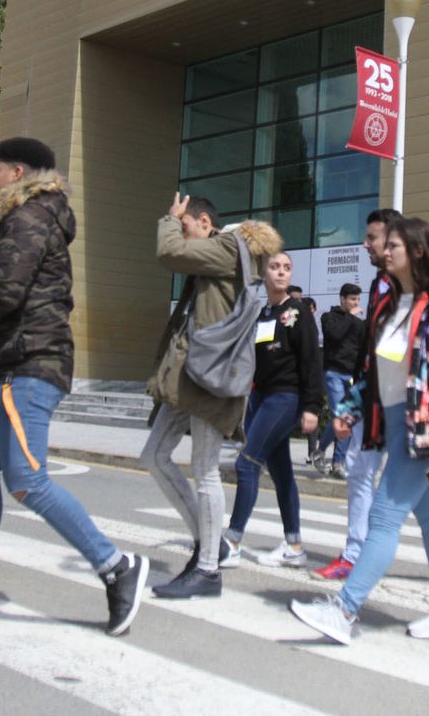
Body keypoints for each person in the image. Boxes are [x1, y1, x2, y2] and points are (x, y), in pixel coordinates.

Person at [0, 139, 147, 633]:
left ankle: (117, 567)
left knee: (26, 479)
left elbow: (5, 291)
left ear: (17, 171)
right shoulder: (30, 218)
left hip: (28, 362)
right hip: (5, 363)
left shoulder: (27, 218)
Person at [290, 217, 429, 644]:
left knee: (384, 516)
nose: (384, 252)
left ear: (417, 252)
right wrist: (348, 409)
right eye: (384, 247)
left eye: (394, 247)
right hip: (395, 425)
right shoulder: (391, 303)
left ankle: (345, 609)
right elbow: (373, 371)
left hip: (427, 434)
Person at [145, 194, 282, 600]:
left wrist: (169, 220)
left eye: (186, 224)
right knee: (153, 456)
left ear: (204, 222)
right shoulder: (221, 251)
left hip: (212, 375)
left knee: (204, 469)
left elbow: (170, 251)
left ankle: (207, 569)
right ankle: (213, 543)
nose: (183, 232)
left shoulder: (227, 247)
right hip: (192, 374)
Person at [223, 252, 323, 568]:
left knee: (246, 464)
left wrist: (312, 407)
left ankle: (232, 541)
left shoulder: (298, 312)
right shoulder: (263, 312)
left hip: (285, 398)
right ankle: (294, 546)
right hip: (260, 398)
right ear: (264, 273)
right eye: (275, 267)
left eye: (287, 268)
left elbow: (311, 361)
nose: (281, 272)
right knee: (281, 473)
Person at [311, 283, 364, 478]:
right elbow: (335, 335)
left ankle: (323, 453)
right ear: (342, 299)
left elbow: (362, 350)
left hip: (351, 377)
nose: (356, 303)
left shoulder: (359, 324)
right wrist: (350, 316)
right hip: (333, 373)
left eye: (358, 299)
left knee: (344, 418)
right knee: (341, 416)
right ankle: (338, 463)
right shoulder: (328, 317)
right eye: (352, 299)